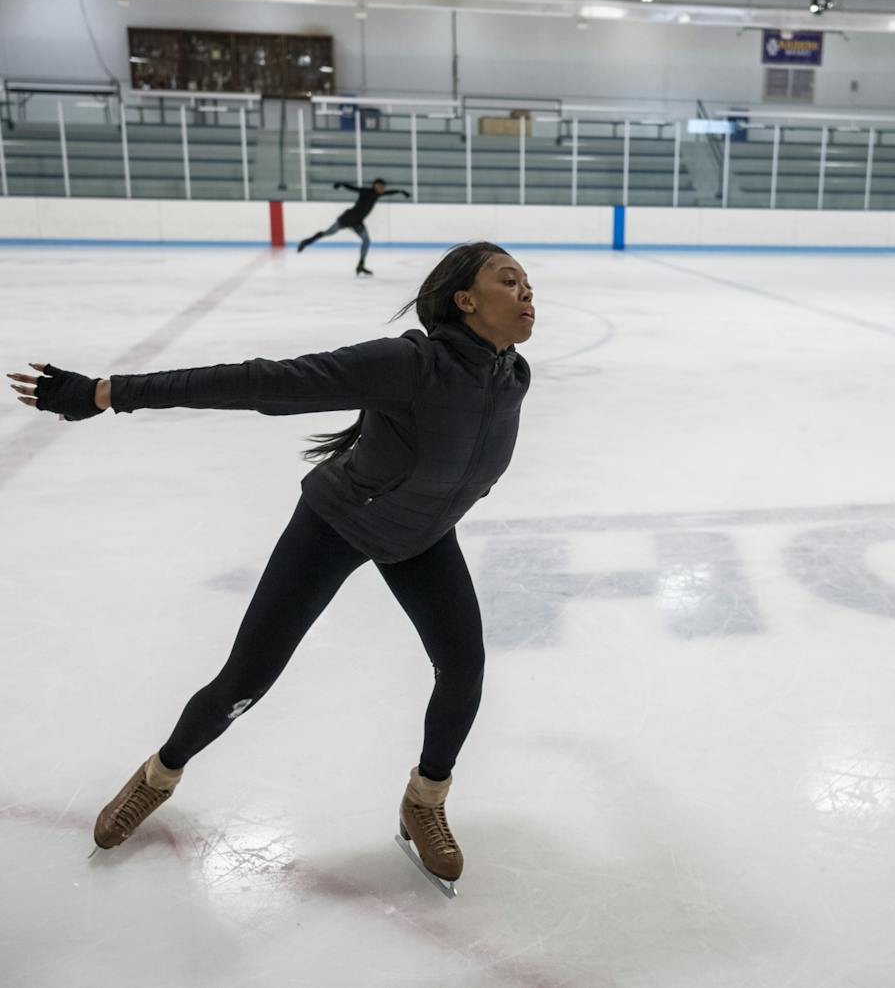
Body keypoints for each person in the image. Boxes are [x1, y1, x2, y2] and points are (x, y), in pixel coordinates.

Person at [7, 241, 535, 891]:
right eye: (509, 281)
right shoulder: (407, 364)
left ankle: (424, 799)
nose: (527, 292)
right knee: (245, 681)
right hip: (337, 523)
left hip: (422, 536)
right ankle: (160, 774)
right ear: (466, 300)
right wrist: (109, 391)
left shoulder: (513, 376)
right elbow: (264, 381)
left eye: (527, 282)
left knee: (464, 667)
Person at [297, 178, 411, 277]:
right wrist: (341, 184)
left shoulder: (378, 194)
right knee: (328, 233)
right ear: (375, 185)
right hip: (347, 218)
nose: (383, 189)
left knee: (366, 241)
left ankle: (360, 265)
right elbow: (352, 188)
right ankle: (306, 242)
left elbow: (390, 193)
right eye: (381, 186)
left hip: (357, 222)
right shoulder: (366, 191)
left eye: (383, 187)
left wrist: (401, 191)